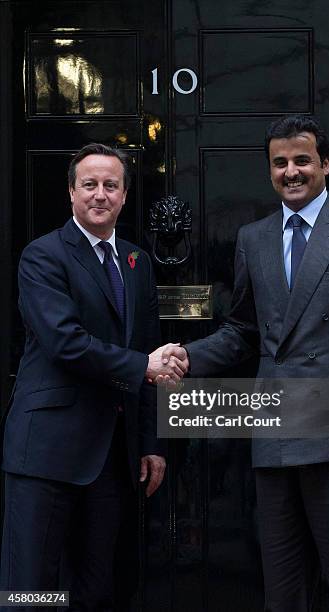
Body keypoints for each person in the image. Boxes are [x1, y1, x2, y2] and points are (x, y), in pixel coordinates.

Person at [159, 115, 329, 611]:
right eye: (280, 163)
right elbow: (244, 330)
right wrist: (187, 357)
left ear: (325, 165)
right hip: (274, 428)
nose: (290, 171)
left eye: (301, 160)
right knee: (283, 584)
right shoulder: (254, 237)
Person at [0, 143, 188, 611]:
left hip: (112, 457)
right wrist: (144, 365)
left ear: (124, 195)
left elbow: (147, 347)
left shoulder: (137, 263)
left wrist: (152, 443)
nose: (99, 194)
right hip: (46, 451)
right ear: (71, 193)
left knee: (99, 587)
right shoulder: (42, 257)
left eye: (110, 185)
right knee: (33, 590)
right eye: (89, 185)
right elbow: (65, 341)